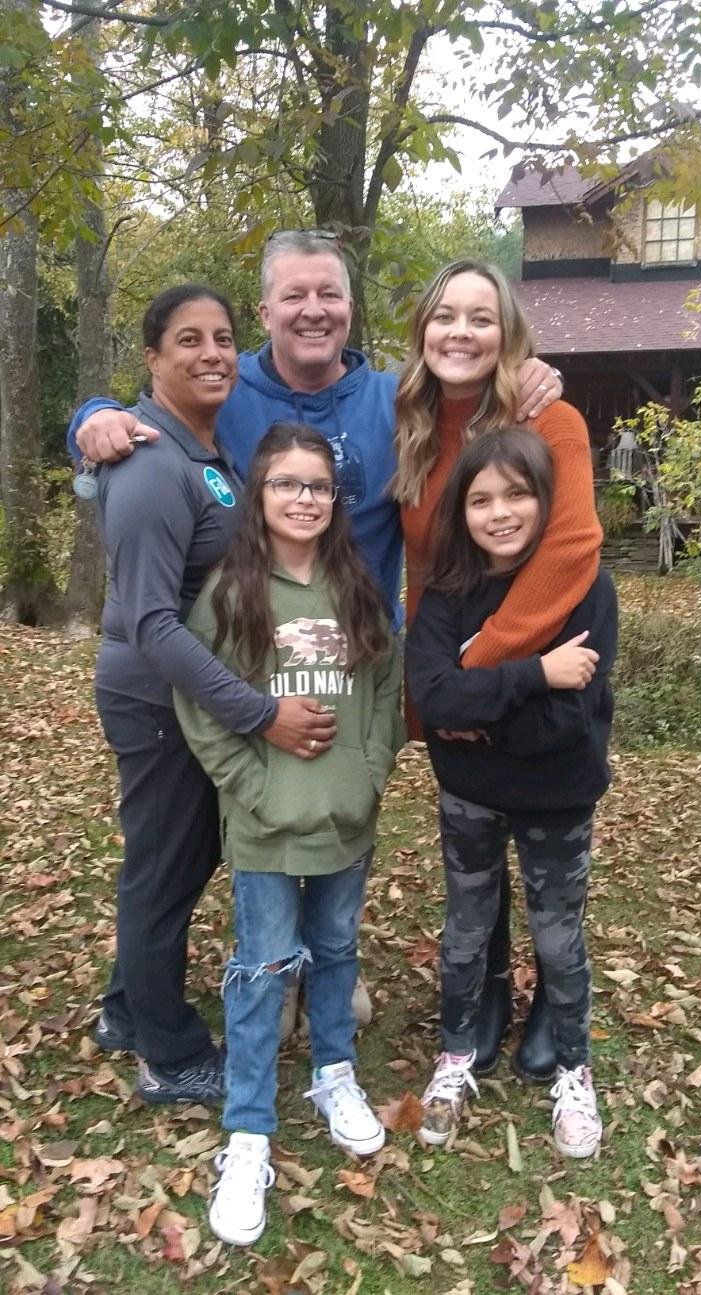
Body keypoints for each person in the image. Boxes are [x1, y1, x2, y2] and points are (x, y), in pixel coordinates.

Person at [67, 232, 563, 1046]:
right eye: (293, 295)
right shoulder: (231, 390)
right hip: (253, 657)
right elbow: (153, 420)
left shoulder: (394, 396)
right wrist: (91, 417)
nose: (313, 310)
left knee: (337, 809)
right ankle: (262, 965)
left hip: (358, 657)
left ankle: (326, 960)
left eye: (328, 293)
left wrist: (535, 372)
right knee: (253, 814)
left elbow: (481, 403)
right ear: (265, 310)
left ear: (350, 306)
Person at [91, 285, 336, 1106]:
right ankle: (168, 1051)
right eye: (188, 340)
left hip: (187, 702)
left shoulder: (206, 454)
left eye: (224, 338)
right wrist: (258, 712)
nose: (211, 354)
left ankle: (128, 1009)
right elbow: (153, 622)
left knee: (182, 857)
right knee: (163, 868)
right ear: (153, 360)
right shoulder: (151, 466)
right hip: (157, 701)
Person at [174, 423, 404, 1246]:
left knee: (338, 949)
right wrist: (247, 783)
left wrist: (371, 769)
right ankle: (247, 1131)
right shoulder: (233, 592)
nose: (303, 498)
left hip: (347, 815)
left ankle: (334, 1072)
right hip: (269, 820)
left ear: (335, 501)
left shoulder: (356, 585)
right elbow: (200, 701)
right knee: (263, 965)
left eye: (318, 486)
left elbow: (384, 685)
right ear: (260, 495)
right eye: (286, 484)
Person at [392, 259, 604, 1081]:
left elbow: (573, 547)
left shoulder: (549, 417)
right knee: (474, 864)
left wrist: (480, 665)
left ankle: (555, 1000)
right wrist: (432, 690)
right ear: (422, 330)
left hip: (526, 667)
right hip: (447, 673)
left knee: (550, 863)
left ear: (509, 335)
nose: (461, 332)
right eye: (445, 315)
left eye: (482, 318)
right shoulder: (406, 416)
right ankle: (483, 993)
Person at [405, 427, 617, 1157]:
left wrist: (480, 713)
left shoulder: (583, 585)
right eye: (482, 497)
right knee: (467, 927)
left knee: (558, 936)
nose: (500, 512)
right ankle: (456, 1055)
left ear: (545, 499)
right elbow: (432, 697)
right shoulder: (447, 591)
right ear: (460, 509)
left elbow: (570, 717)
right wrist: (529, 676)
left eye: (518, 494)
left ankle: (573, 1068)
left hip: (558, 795)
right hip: (468, 794)